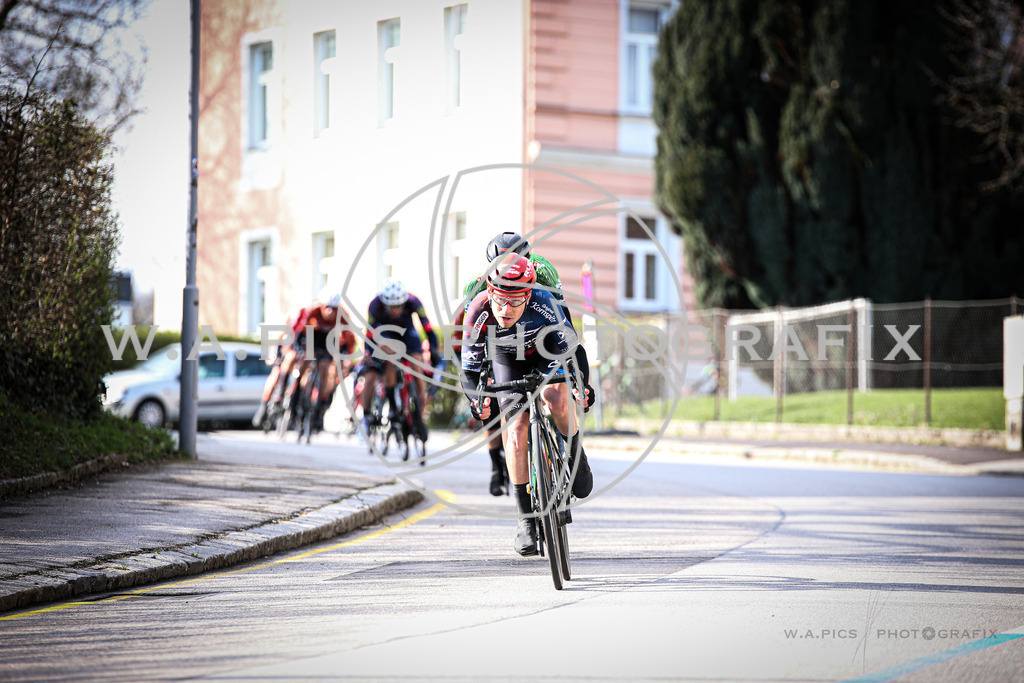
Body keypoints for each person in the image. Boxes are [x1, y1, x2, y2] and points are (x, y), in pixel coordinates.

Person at [459, 254, 594, 557]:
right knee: (516, 429)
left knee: (556, 398)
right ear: (489, 292)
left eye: (516, 301)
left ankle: (575, 454)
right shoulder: (479, 309)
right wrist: (476, 400)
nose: (506, 310)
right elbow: (468, 370)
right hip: (507, 358)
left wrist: (582, 386)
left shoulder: (544, 302)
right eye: (500, 300)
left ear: (529, 295)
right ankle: (525, 519)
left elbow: (574, 351)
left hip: (545, 350)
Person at [360, 278, 441, 440]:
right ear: (385, 304)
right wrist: (370, 352)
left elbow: (427, 328)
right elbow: (369, 335)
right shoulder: (375, 305)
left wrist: (432, 349)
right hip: (385, 333)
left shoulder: (413, 302)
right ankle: (391, 403)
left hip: (407, 332)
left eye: (399, 306)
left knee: (417, 363)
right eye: (391, 307)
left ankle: (419, 413)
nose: (395, 310)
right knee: (389, 354)